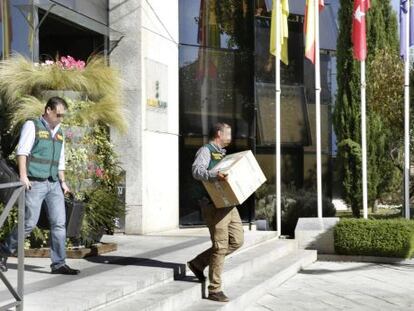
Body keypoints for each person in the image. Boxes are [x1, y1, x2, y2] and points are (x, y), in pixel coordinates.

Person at [0, 96, 80, 275]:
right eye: (58, 114)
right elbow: (23, 151)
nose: (60, 118)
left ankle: (59, 264)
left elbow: (60, 160)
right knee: (29, 223)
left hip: (53, 184)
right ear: (48, 110)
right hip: (35, 182)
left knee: (59, 224)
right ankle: (3, 251)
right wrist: (23, 176)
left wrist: (63, 182)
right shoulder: (33, 125)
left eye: (63, 116)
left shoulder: (59, 131)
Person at [187, 122, 244, 302]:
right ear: (219, 133)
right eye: (229, 133)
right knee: (220, 246)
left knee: (237, 241)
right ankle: (214, 289)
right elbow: (197, 171)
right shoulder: (206, 151)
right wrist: (215, 175)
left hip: (229, 204)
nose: (231, 136)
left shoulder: (225, 154)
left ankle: (198, 263)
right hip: (214, 205)